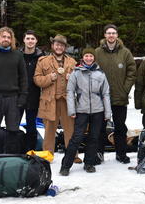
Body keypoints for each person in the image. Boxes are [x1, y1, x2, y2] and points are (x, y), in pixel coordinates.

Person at [60, 48, 111, 176]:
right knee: (76, 137)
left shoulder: (100, 74)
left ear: (94, 58)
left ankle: (89, 163)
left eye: (91, 56)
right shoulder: (76, 73)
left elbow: (105, 93)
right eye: (86, 56)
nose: (89, 58)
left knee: (94, 137)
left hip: (97, 110)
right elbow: (70, 92)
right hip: (81, 110)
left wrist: (107, 113)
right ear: (83, 58)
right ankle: (66, 165)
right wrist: (72, 109)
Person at [34, 34, 80, 162]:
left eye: (62, 45)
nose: (59, 47)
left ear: (65, 47)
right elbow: (37, 79)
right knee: (49, 130)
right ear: (52, 46)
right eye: (57, 44)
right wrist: (49, 78)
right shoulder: (43, 61)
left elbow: (80, 82)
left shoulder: (72, 62)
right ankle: (47, 157)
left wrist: (72, 80)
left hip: (67, 101)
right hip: (50, 101)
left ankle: (73, 155)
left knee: (70, 130)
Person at [95, 24, 136, 164]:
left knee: (120, 126)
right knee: (100, 127)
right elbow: (90, 71)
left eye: (113, 33)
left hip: (120, 96)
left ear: (117, 35)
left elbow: (132, 71)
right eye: (108, 33)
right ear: (105, 35)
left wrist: (125, 89)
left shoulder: (125, 53)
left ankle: (121, 153)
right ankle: (99, 153)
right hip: (100, 98)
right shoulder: (97, 52)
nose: (111, 35)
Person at [0, 27, 28, 154]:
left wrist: (23, 96)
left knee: (13, 130)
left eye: (8, 37)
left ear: (12, 40)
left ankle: (11, 157)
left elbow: (23, 77)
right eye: (3, 36)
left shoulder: (17, 55)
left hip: (13, 98)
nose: (6, 39)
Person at [19, 30, 45, 151]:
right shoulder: (17, 55)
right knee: (13, 125)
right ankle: (13, 151)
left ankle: (30, 151)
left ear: (36, 41)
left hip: (34, 96)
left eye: (32, 39)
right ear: (24, 40)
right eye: (28, 38)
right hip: (18, 96)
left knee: (31, 125)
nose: (30, 41)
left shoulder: (41, 57)